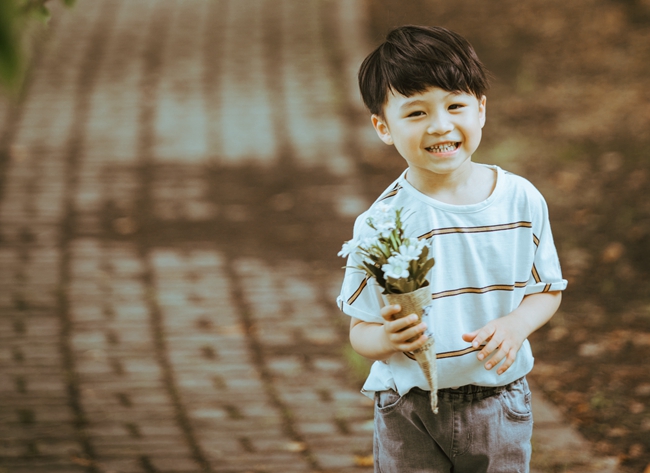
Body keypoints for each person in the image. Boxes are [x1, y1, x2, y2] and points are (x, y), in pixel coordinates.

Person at [337, 25, 567, 472]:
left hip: (499, 399)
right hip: (409, 408)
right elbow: (359, 330)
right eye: (416, 113)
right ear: (383, 127)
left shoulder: (520, 200)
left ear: (480, 109)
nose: (441, 125)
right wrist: (385, 338)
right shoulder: (382, 224)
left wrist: (518, 323)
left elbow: (547, 289)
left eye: (455, 105)